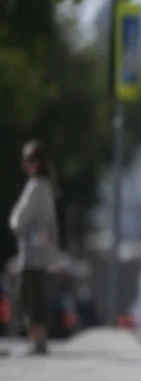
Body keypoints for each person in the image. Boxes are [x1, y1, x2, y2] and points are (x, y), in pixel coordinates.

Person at [8, 141, 60, 356]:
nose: (26, 164)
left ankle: (37, 339)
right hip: (39, 251)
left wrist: (14, 221)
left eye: (29, 160)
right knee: (34, 294)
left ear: (38, 162)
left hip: (32, 252)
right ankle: (38, 339)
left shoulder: (37, 186)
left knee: (30, 295)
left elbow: (21, 217)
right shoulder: (45, 185)